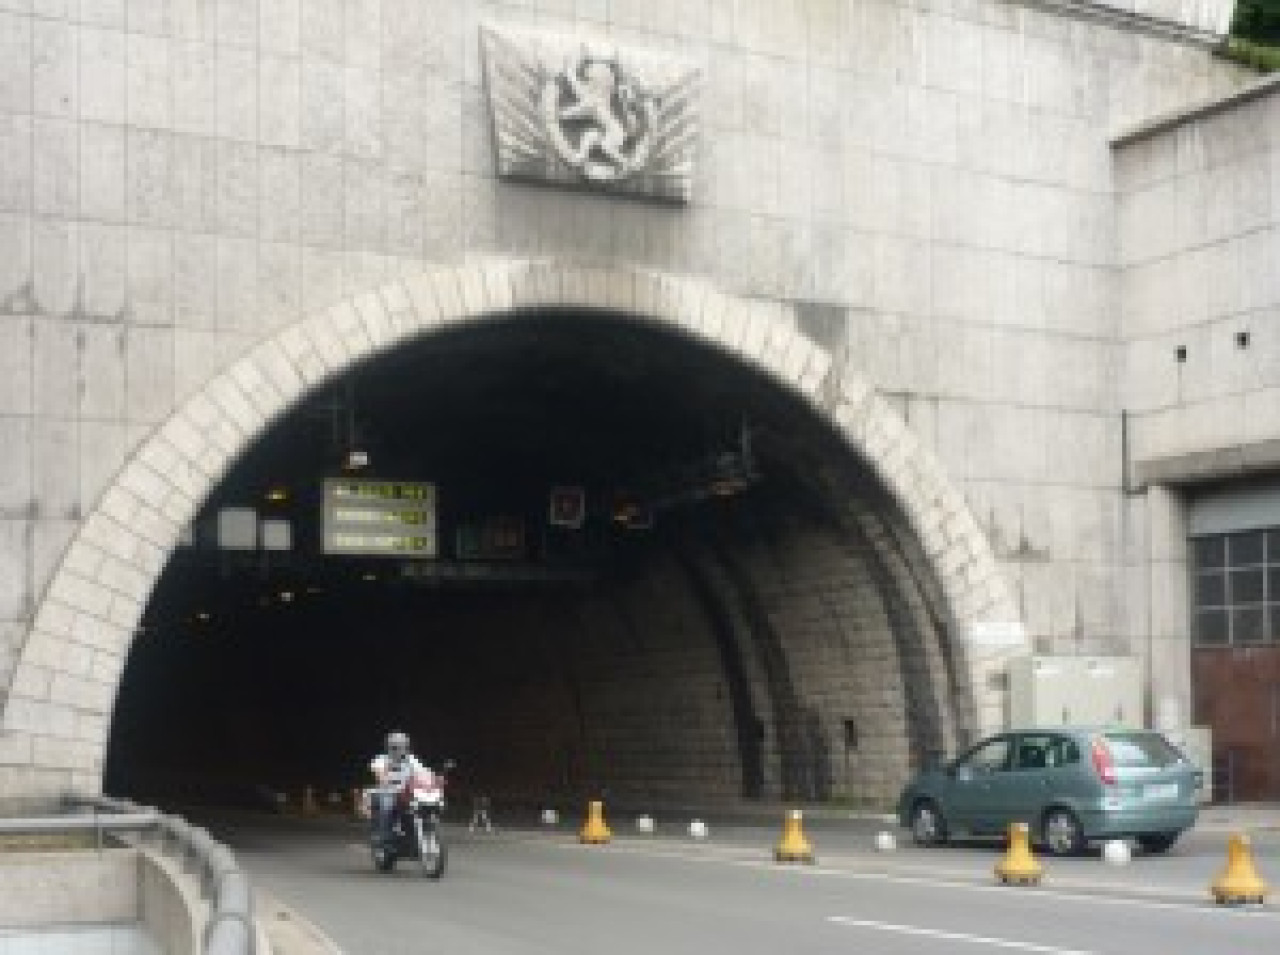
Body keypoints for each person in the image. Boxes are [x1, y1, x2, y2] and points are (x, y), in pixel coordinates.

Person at [368, 730, 428, 854]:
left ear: (407, 747)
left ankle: (415, 836)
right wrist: (384, 779)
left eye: (402, 747)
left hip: (406, 793)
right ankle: (384, 839)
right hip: (387, 792)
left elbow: (423, 772)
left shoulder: (411, 760)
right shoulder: (381, 759)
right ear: (389, 747)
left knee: (424, 805)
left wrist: (432, 779)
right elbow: (379, 773)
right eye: (395, 747)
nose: (399, 750)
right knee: (387, 806)